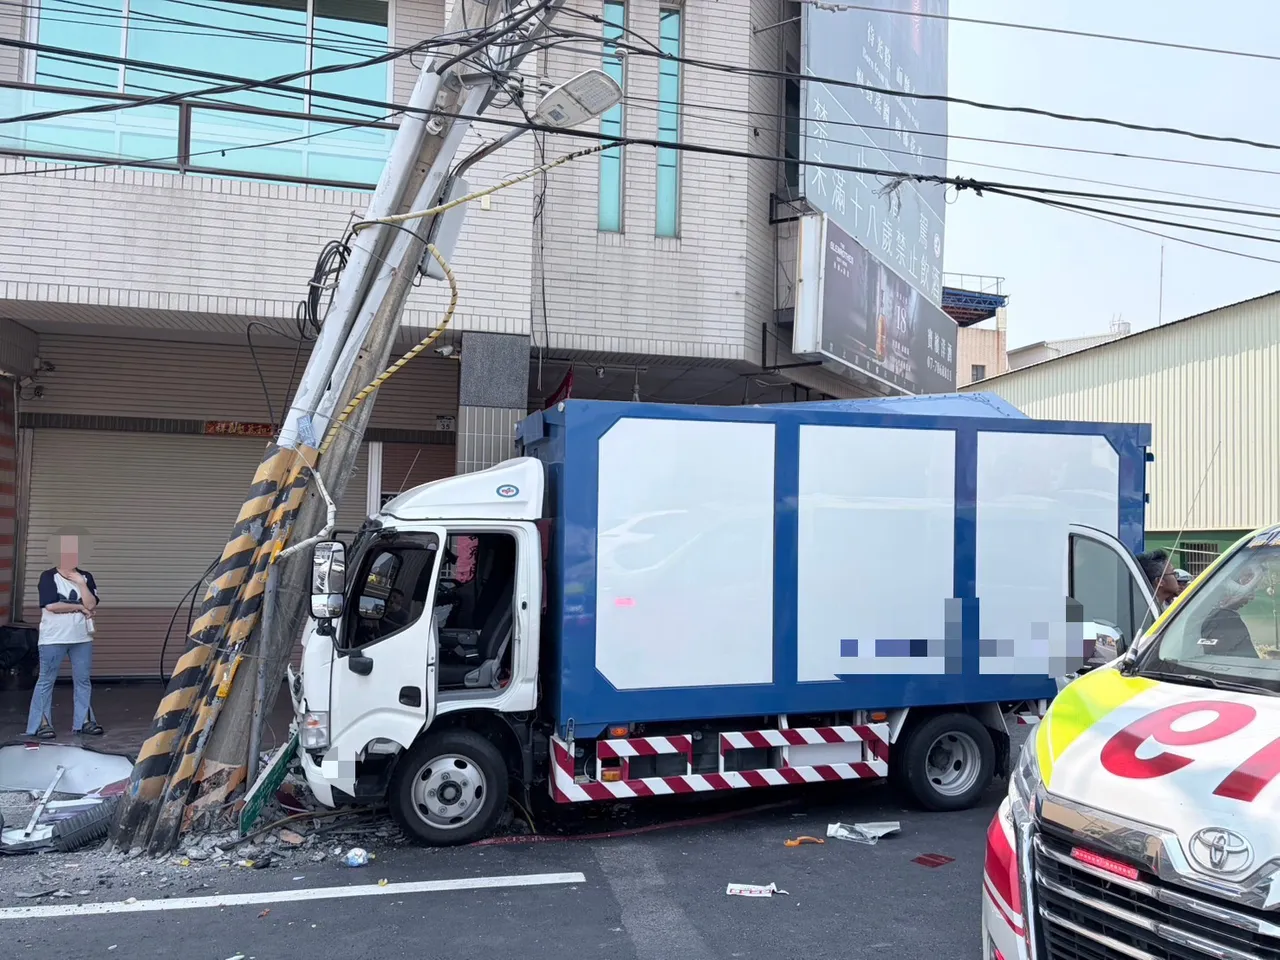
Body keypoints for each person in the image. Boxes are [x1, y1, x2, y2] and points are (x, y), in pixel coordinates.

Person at [25, 533, 103, 739]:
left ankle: (85, 721)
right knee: (46, 680)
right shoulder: (48, 576)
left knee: (83, 679)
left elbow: (92, 604)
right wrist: (79, 607)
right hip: (54, 638)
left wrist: (80, 583)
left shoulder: (85, 577)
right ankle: (42, 723)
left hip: (82, 638)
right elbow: (51, 605)